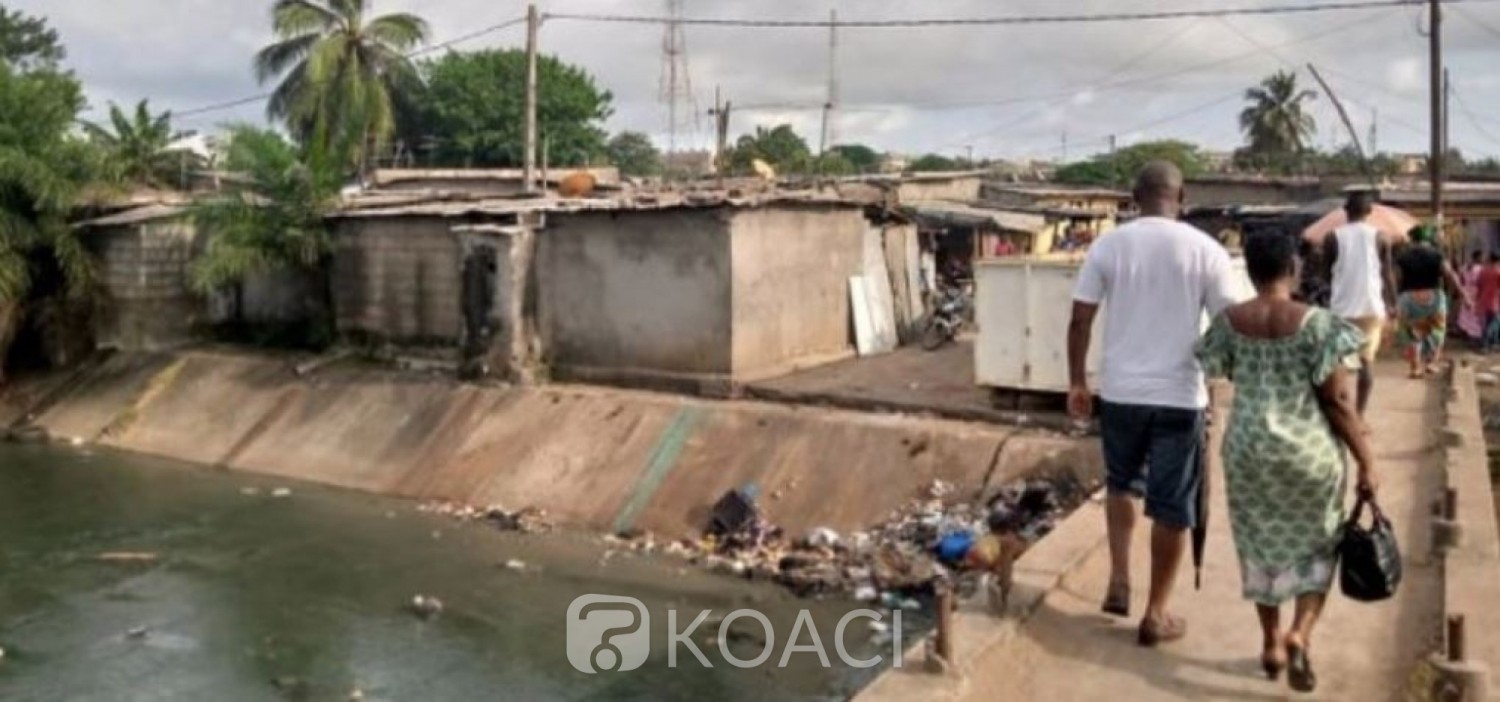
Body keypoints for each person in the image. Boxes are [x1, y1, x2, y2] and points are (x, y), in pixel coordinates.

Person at [1067, 161, 1241, 647]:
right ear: (1181, 197)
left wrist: (1077, 381)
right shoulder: (1207, 251)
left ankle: (1120, 580)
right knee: (1172, 507)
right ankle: (1156, 613)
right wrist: (1220, 376)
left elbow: (1080, 319)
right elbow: (1227, 326)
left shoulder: (1108, 245)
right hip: (1180, 397)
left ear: (1133, 196)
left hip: (1121, 392)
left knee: (1122, 484)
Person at [1195, 232, 1378, 693]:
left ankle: (1272, 642)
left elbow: (1219, 368)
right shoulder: (1318, 324)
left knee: (1259, 547)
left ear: (1252, 273)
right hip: (1308, 452)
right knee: (1319, 545)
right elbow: (1337, 400)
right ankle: (1301, 633)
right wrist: (1367, 461)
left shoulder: (1229, 321)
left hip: (1250, 452)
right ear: (1292, 269)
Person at [1324, 191, 1395, 415]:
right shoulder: (1382, 237)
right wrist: (1393, 304)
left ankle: (1342, 413)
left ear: (1346, 211)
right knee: (1366, 364)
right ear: (1369, 212)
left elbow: (1326, 274)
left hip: (1341, 309)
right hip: (1372, 308)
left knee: (1339, 366)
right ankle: (1360, 416)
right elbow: (1388, 274)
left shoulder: (1332, 237)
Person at [1393, 226, 1469, 376]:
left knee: (1411, 333)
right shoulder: (1437, 255)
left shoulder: (1403, 256)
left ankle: (1415, 367)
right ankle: (1431, 363)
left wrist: (1391, 299)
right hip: (1433, 296)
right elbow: (1450, 275)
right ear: (1428, 240)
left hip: (1408, 297)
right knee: (1437, 330)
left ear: (1412, 239)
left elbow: (1396, 278)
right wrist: (1463, 294)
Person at [1458, 250, 1485, 340]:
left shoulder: (1466, 266)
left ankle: (1464, 331)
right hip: (1475, 292)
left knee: (1465, 312)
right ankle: (1473, 334)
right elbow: (1480, 282)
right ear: (1477, 257)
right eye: (1481, 257)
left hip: (1466, 290)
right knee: (1473, 314)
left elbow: (1461, 278)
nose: (1483, 259)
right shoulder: (1480, 269)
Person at [1481, 254, 1500, 352]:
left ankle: (1493, 342)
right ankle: (1485, 344)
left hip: (1485, 300)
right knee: (1493, 323)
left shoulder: (1484, 271)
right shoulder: (1498, 272)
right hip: (1494, 301)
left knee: (1489, 322)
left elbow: (1479, 284)